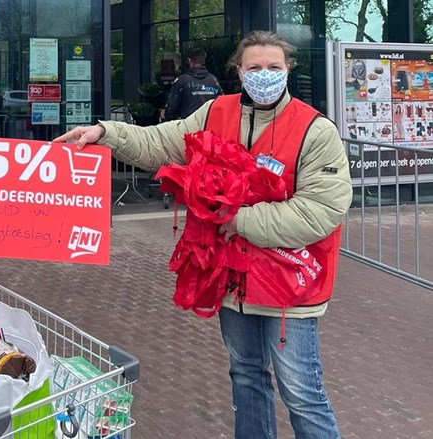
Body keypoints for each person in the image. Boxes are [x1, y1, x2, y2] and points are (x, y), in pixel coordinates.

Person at [54, 30, 350, 439]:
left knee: (301, 392)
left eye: (274, 68)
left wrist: (236, 221)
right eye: (255, 68)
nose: (264, 75)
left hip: (290, 288)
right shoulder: (215, 113)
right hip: (233, 279)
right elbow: (161, 141)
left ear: (288, 71)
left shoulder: (315, 131)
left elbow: (321, 211)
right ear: (238, 71)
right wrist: (106, 133)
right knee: (246, 376)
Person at [163, 47, 223, 121]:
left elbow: (171, 107)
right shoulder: (213, 80)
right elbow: (222, 103)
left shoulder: (181, 80)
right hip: (209, 125)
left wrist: (166, 115)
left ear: (189, 61)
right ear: (203, 61)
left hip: (189, 127)